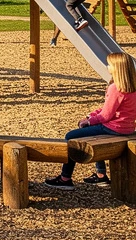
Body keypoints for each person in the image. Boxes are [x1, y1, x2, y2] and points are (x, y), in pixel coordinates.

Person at [43, 52, 136, 189]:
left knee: (70, 136)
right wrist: (91, 116)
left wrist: (89, 121)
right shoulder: (131, 87)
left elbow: (106, 116)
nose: (107, 66)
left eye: (109, 65)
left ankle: (65, 178)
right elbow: (109, 109)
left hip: (113, 128)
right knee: (93, 133)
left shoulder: (115, 88)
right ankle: (100, 175)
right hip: (127, 128)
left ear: (117, 68)